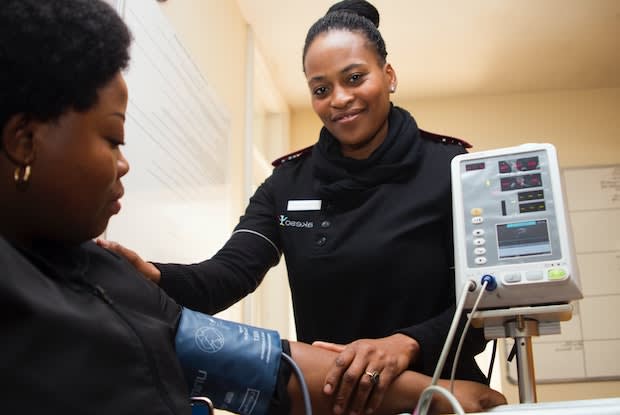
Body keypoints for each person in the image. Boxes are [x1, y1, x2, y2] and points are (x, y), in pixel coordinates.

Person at [0, 1, 507, 414]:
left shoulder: (452, 170)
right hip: (334, 398)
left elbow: (487, 300)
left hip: (446, 387)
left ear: (388, 74)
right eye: (321, 88)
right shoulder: (289, 185)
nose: (340, 99)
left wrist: (407, 345)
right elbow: (229, 276)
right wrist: (157, 277)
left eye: (355, 78)